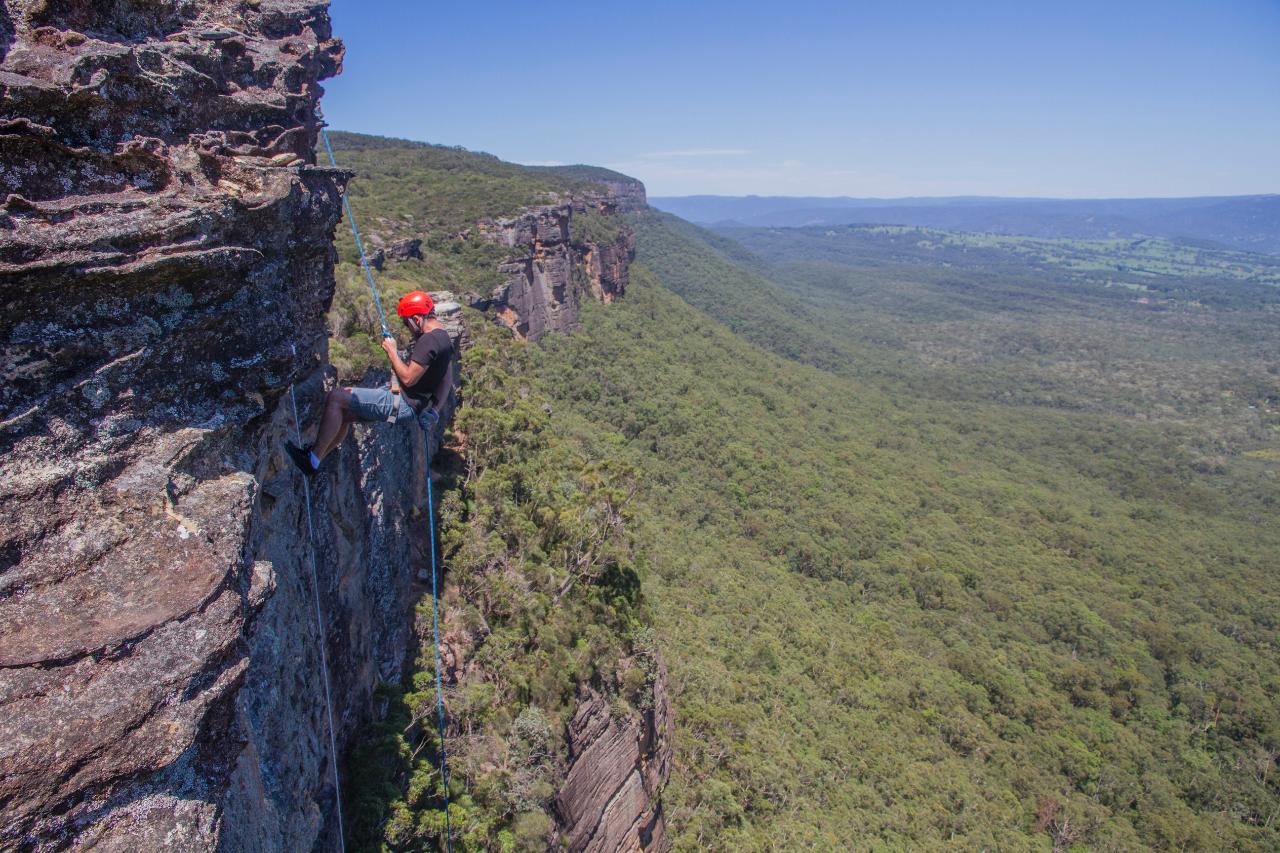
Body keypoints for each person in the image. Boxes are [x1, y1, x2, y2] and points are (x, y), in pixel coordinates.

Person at [285, 290, 453, 477]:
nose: (408, 328)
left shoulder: (428, 341)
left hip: (403, 404)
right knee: (345, 413)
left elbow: (408, 378)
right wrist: (435, 410)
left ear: (417, 318)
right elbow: (447, 377)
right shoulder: (443, 336)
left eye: (407, 323)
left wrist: (392, 352)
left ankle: (312, 460)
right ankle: (315, 459)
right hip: (408, 402)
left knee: (336, 397)